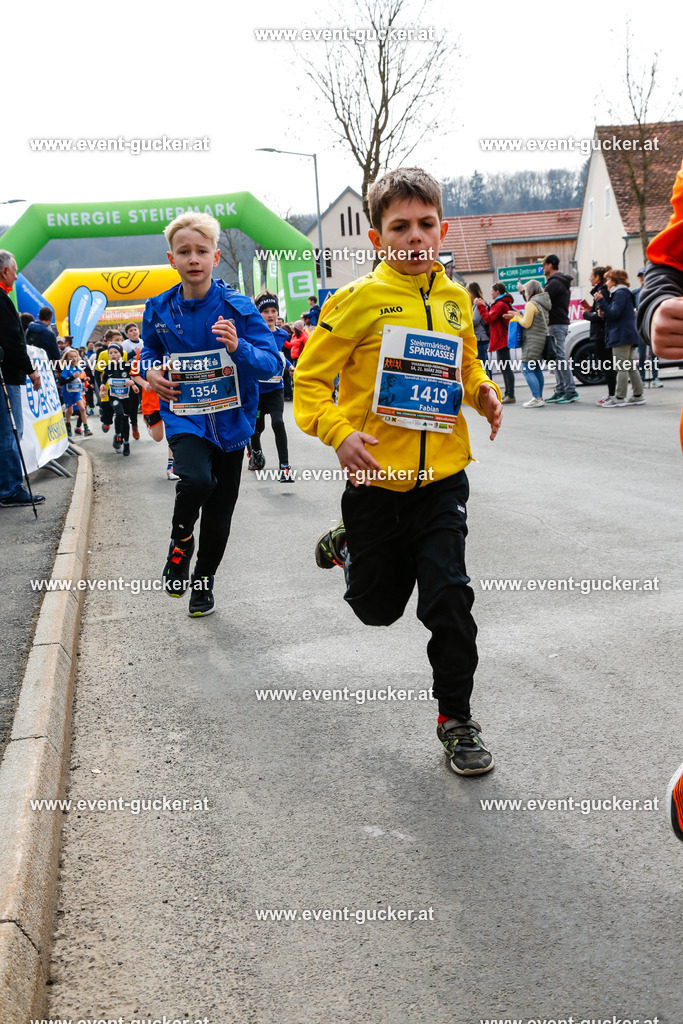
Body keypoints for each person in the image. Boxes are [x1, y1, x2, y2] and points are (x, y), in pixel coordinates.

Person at [294, 166, 502, 777]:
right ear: (378, 238)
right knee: (377, 608)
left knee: (450, 598)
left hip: (442, 482)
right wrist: (337, 432)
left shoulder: (458, 301)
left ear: (443, 229)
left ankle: (456, 720)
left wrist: (484, 393)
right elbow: (307, 383)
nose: (415, 237)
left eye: (426, 224)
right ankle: (347, 546)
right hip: (375, 486)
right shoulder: (355, 302)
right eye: (399, 227)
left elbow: (464, 372)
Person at [140, 211, 280, 617]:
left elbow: (271, 365)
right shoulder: (158, 309)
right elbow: (148, 352)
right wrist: (150, 372)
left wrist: (239, 348)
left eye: (201, 251)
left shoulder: (238, 307)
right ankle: (180, 539)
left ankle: (203, 584)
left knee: (219, 516)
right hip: (185, 415)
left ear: (215, 257)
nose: (193, 258)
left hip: (233, 421)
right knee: (196, 479)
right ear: (172, 259)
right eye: (184, 252)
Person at [0, 249, 45, 508]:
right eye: (15, 271)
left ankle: (6, 486)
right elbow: (13, 342)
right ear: (5, 270)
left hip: (6, 374)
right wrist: (31, 369)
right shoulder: (2, 299)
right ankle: (9, 488)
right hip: (6, 376)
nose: (16, 277)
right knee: (10, 432)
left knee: (7, 432)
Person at [248, 291, 295, 482]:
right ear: (259, 314)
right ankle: (256, 452)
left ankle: (285, 467)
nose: (270, 314)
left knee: (278, 422)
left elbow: (284, 357)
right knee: (257, 428)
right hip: (257, 390)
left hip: (276, 388)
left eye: (273, 310)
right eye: (265, 311)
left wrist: (291, 367)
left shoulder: (283, 335)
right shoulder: (252, 335)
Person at [595, 269, 645, 407]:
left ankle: (619, 397)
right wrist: (604, 312)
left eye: (608, 280)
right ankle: (638, 395)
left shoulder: (619, 293)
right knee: (629, 366)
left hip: (620, 334)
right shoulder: (624, 293)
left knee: (621, 367)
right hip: (628, 333)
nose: (606, 283)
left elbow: (615, 313)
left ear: (615, 280)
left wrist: (602, 302)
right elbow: (617, 313)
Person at [506, 280, 551, 408]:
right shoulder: (542, 303)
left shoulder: (531, 304)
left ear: (529, 291)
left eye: (525, 291)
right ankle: (539, 397)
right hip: (541, 338)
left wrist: (517, 316)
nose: (524, 293)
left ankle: (537, 398)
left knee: (526, 369)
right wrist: (520, 315)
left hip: (532, 341)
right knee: (536, 369)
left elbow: (526, 323)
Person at [542, 254, 579, 403]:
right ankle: (561, 389)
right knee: (555, 357)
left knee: (559, 357)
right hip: (555, 323)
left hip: (557, 323)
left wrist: (524, 292)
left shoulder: (555, 283)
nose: (542, 268)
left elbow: (541, 300)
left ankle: (570, 390)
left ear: (551, 265)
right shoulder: (556, 282)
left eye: (544, 265)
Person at [473, 283, 515, 404]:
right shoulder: (500, 303)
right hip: (501, 339)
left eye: (492, 290)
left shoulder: (500, 304)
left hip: (502, 339)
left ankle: (510, 394)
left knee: (506, 368)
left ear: (497, 291)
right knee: (504, 367)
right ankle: (508, 393)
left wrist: (480, 307)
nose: (490, 293)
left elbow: (489, 318)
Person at [580, 266, 615, 405]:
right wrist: (591, 310)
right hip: (600, 333)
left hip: (601, 334)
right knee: (607, 365)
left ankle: (612, 394)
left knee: (607, 365)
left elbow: (601, 316)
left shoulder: (602, 292)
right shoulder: (600, 291)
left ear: (597, 278)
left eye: (591, 275)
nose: (589, 278)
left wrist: (586, 314)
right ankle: (612, 393)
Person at [98, 343, 139, 454]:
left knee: (125, 420)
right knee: (119, 413)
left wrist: (133, 384)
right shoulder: (108, 367)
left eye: (115, 352)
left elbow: (134, 379)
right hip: (114, 396)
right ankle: (117, 435)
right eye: (110, 353)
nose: (113, 355)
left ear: (120, 354)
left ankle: (126, 443)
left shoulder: (127, 366)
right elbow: (104, 380)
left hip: (126, 398)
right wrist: (102, 388)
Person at [59, 348, 93, 438]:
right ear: (67, 359)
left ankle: (86, 428)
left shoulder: (78, 368)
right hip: (67, 393)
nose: (73, 358)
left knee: (82, 408)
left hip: (76, 392)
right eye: (71, 357)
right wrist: (72, 377)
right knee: (70, 410)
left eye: (75, 356)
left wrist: (84, 380)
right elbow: (62, 382)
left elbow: (77, 380)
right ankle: (68, 424)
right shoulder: (66, 369)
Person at [467, 283, 492, 382]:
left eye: (468, 292)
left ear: (472, 292)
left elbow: (474, 321)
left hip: (480, 339)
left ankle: (488, 385)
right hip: (481, 338)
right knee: (484, 364)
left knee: (482, 365)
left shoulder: (478, 305)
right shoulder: (476, 304)